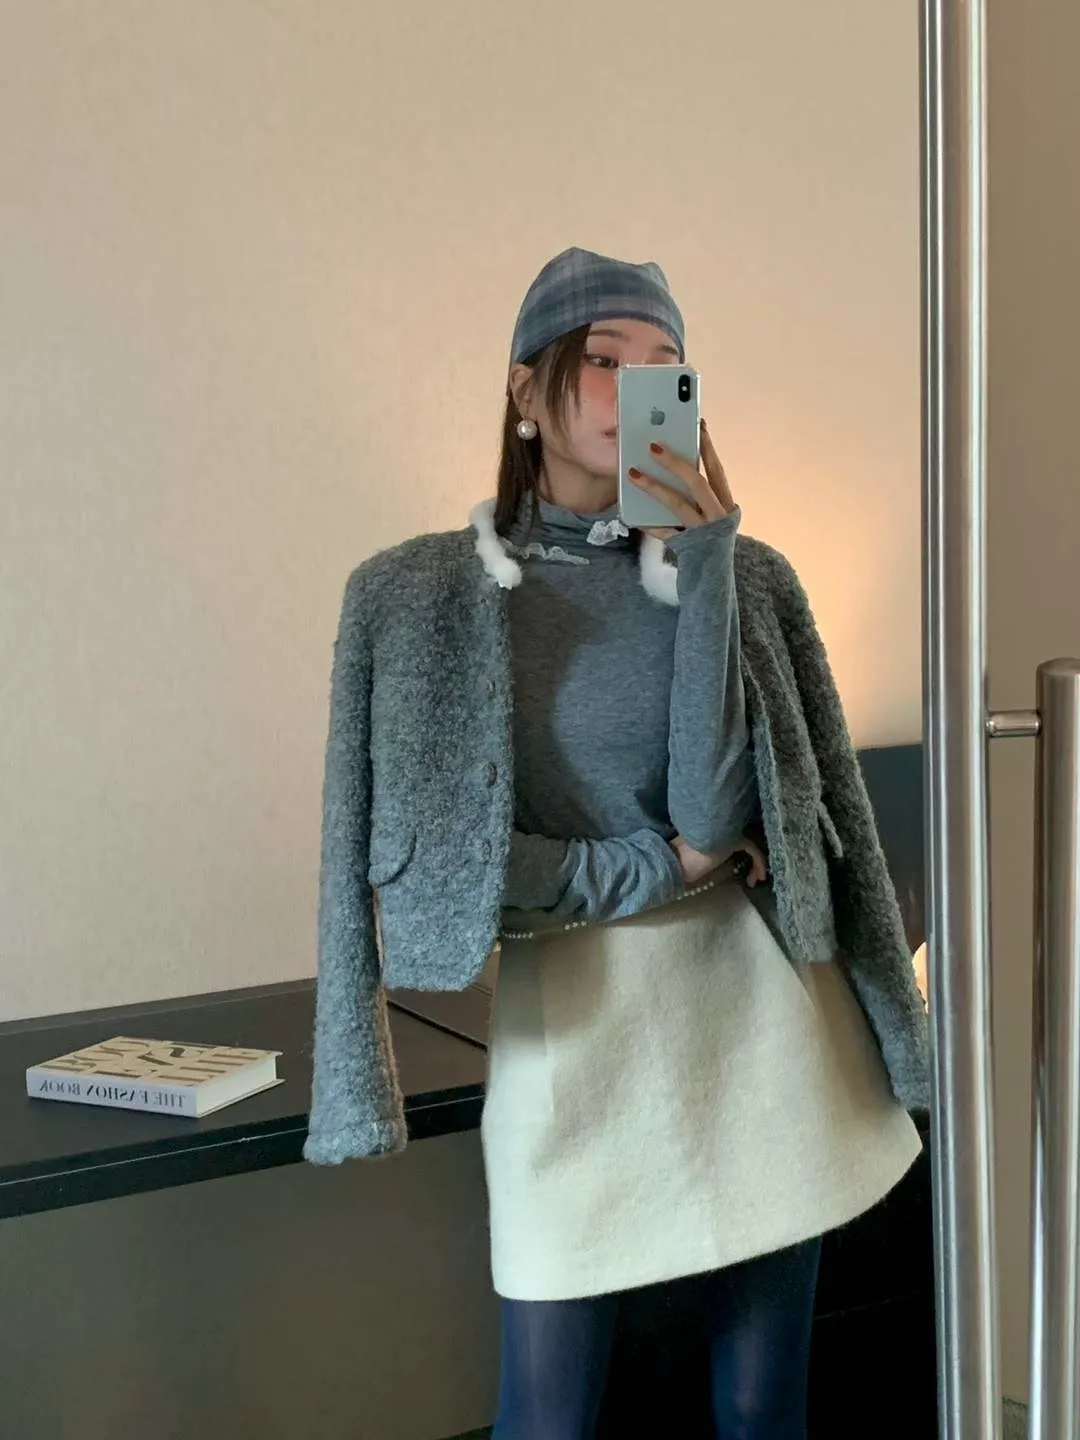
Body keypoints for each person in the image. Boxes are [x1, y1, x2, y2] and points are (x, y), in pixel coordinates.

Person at [304, 247, 929, 1439]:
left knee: (763, 1409)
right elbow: (465, 868)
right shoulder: (420, 598)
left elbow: (716, 810)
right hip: (570, 1035)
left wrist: (707, 567)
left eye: (665, 365)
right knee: (545, 1415)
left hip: (760, 1030)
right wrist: (664, 870)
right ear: (523, 388)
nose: (636, 388)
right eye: (603, 360)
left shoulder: (747, 578)